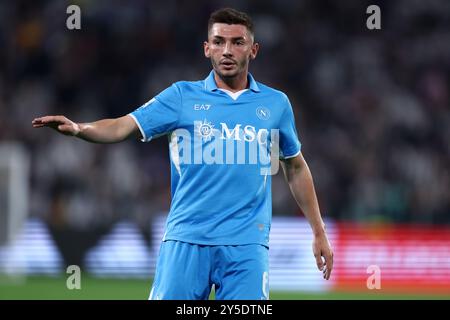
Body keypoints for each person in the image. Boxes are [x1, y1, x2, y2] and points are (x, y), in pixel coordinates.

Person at [32, 7, 333, 300]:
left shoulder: (276, 104)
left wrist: (318, 232)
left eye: (237, 42)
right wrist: (79, 128)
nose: (227, 50)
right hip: (187, 239)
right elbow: (124, 125)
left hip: (247, 246)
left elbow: (295, 167)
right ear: (206, 49)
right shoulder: (181, 97)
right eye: (219, 42)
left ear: (253, 49)